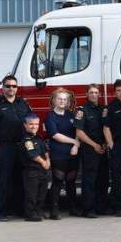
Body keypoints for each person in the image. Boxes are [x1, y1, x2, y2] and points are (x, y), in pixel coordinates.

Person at [0, 75, 32, 221]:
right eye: (8, 86)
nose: (11, 88)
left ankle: (19, 210)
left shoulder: (23, 104)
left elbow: (31, 124)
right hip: (5, 147)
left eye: (14, 86)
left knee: (20, 180)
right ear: (3, 87)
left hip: (22, 146)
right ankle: (1, 212)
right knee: (3, 181)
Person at [74, 84, 109, 218]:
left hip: (102, 148)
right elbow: (79, 132)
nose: (94, 95)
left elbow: (106, 129)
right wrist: (94, 145)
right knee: (89, 180)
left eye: (96, 92)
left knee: (103, 179)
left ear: (99, 94)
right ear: (87, 94)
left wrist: (104, 144)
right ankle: (88, 209)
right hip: (89, 148)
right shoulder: (82, 111)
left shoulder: (103, 110)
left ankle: (101, 207)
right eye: (91, 92)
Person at [45, 88, 81, 219]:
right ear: (54, 101)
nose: (62, 101)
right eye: (59, 99)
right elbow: (55, 135)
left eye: (64, 99)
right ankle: (54, 210)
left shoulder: (70, 115)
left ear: (67, 102)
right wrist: (74, 142)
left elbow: (79, 131)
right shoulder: (50, 117)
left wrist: (76, 146)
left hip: (73, 153)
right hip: (59, 154)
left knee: (71, 182)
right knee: (57, 182)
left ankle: (73, 208)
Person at [103, 79, 121, 217]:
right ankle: (118, 207)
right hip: (118, 145)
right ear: (114, 92)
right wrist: (112, 146)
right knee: (117, 179)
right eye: (118, 90)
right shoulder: (109, 108)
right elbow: (106, 129)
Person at [20, 113, 50, 222]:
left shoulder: (38, 137)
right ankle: (30, 214)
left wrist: (48, 160)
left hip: (41, 171)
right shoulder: (27, 139)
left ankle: (38, 211)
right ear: (25, 125)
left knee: (41, 194)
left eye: (36, 124)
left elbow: (45, 150)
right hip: (31, 172)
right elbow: (32, 154)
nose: (34, 126)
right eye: (31, 124)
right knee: (31, 195)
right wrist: (43, 162)